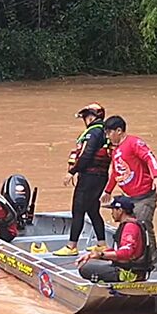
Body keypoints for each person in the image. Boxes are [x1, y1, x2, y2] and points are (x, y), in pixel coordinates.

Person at [54, 103, 109, 256]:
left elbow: (87, 154)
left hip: (90, 177)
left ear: (91, 117)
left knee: (78, 209)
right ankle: (101, 244)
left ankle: (71, 246)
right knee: (92, 209)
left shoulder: (94, 132)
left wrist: (72, 171)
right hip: (99, 176)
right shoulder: (103, 131)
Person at [102, 115, 157, 252]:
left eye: (109, 132)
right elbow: (116, 172)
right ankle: (129, 255)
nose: (108, 136)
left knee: (143, 227)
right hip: (128, 197)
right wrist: (108, 190)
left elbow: (150, 158)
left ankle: (150, 260)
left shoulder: (134, 143)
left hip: (144, 196)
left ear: (119, 131)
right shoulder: (116, 150)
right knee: (127, 227)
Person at [76, 196, 156, 283]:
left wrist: (101, 254)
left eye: (113, 210)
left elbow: (126, 252)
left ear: (120, 211)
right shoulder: (128, 225)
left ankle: (122, 280)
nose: (111, 213)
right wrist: (91, 255)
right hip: (127, 267)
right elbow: (118, 250)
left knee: (85, 268)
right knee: (90, 262)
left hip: (130, 272)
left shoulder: (130, 228)